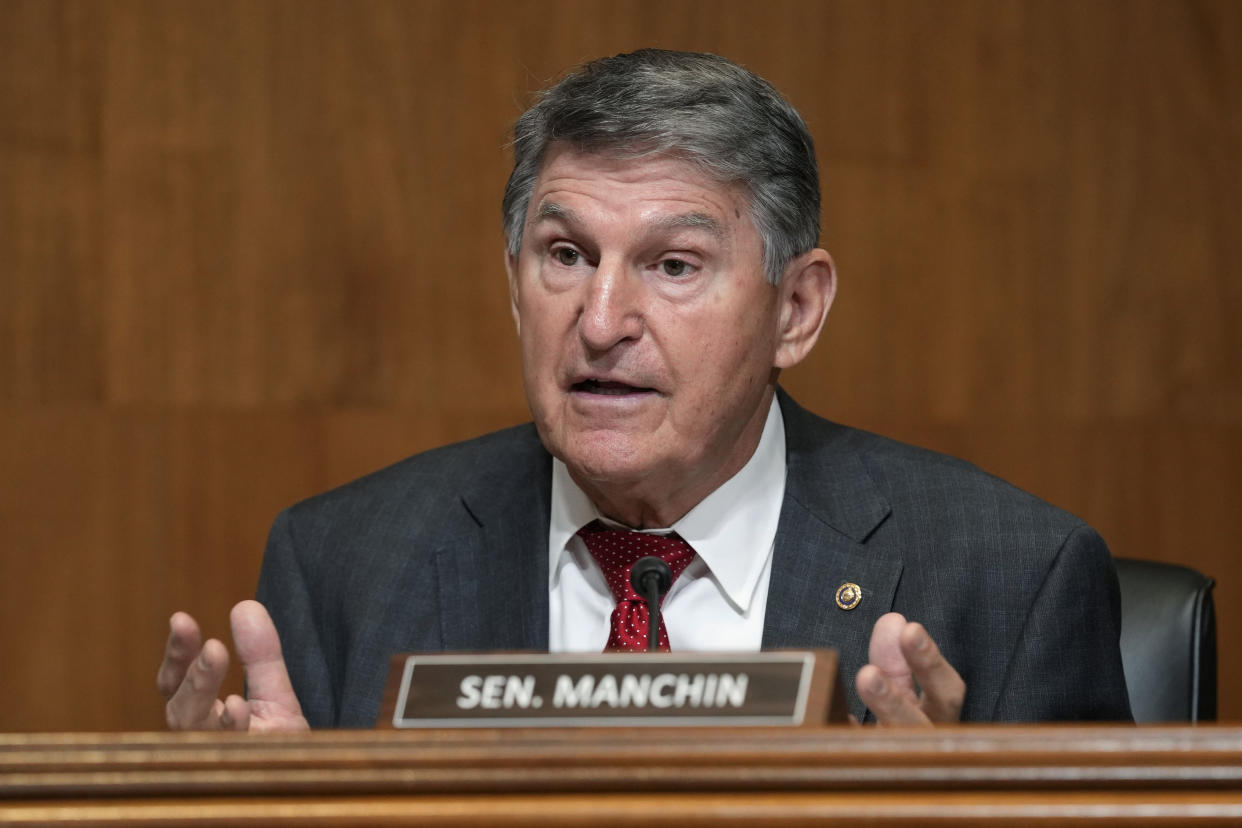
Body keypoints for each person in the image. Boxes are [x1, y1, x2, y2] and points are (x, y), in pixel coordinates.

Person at [157, 49, 1132, 731]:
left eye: (672, 265)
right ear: (513, 285)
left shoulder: (1011, 581)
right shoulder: (344, 565)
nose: (599, 318)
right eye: (567, 254)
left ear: (795, 307)